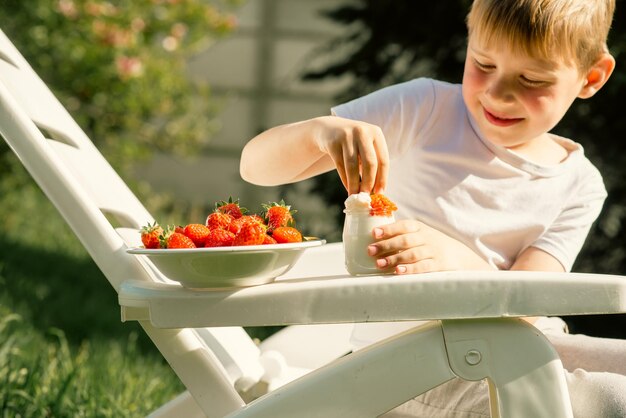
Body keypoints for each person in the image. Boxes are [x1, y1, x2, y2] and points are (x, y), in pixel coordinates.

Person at [240, 0, 626, 415]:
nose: (498, 93)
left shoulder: (580, 183)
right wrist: (319, 132)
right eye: (483, 64)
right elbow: (254, 167)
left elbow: (527, 305)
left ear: (592, 77)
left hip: (519, 342)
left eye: (531, 79)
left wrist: (454, 258)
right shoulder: (425, 110)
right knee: (609, 399)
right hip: (412, 370)